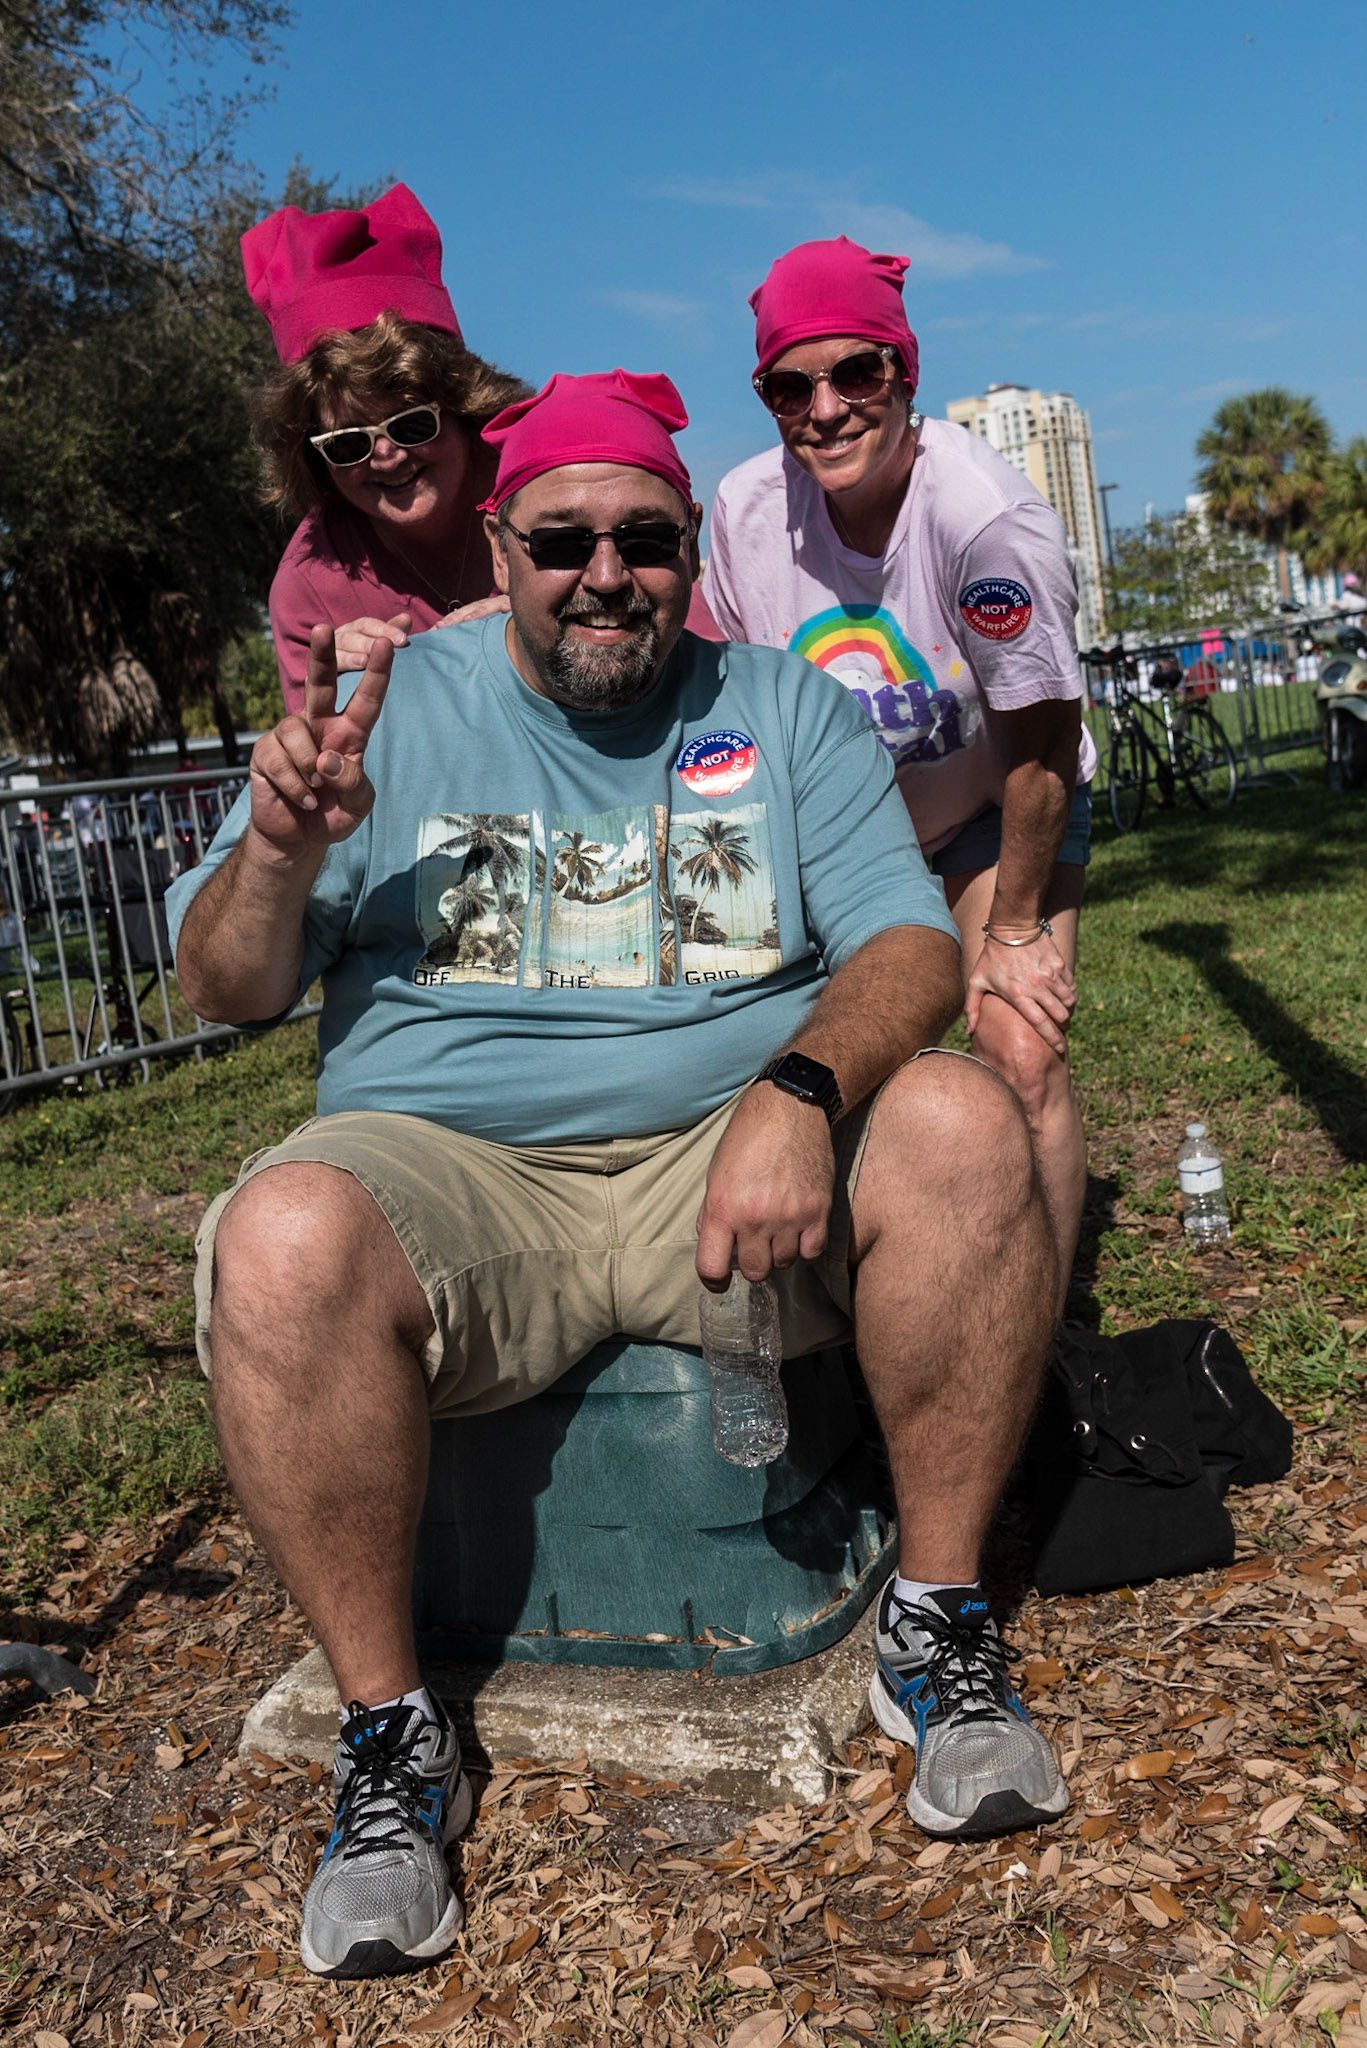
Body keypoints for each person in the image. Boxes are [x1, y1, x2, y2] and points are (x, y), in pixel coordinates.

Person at [168, 369, 1068, 1983]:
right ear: (499, 544)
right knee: (283, 1230)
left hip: (719, 1167)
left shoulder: (778, 704)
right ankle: (389, 1744)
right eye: (563, 537)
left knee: (956, 1117)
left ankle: (934, 1624)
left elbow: (906, 936)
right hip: (451, 1171)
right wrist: (282, 847)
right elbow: (228, 989)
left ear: (686, 556)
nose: (605, 573)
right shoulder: (393, 704)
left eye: (644, 539)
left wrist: (799, 1087)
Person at [705, 238, 1097, 1311]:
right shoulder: (740, 517)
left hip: (994, 803)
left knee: (1014, 1043)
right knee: (792, 1059)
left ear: (903, 371)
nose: (823, 408)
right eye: (790, 384)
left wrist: (1012, 927)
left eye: (855, 373)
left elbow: (1042, 745)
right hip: (849, 833)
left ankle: (1043, 1336)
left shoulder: (983, 521)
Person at [243, 186, 721, 713]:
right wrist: (346, 698)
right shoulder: (309, 587)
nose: (384, 456)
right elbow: (322, 760)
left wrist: (535, 631)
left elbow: (705, 665)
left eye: (410, 426)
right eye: (348, 443)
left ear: (462, 405)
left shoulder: (554, 481)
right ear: (313, 457)